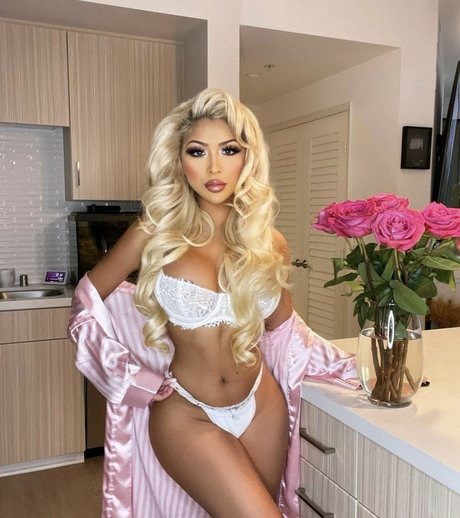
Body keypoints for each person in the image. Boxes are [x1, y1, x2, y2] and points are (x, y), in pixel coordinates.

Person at [68, 88, 358, 518]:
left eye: (229, 150)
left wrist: (357, 369)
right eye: (198, 151)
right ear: (179, 159)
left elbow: (286, 331)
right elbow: (84, 305)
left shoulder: (269, 242)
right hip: (186, 411)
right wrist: (131, 378)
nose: (215, 167)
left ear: (247, 158)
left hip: (262, 407)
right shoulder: (154, 233)